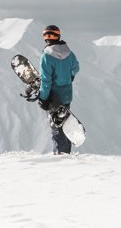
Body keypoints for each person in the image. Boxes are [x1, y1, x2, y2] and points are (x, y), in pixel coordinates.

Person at [37, 25, 79, 154]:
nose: (49, 38)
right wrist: (69, 76)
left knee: (56, 126)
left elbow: (46, 81)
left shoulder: (46, 56)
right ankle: (66, 153)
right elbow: (76, 68)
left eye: (51, 35)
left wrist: (43, 98)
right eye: (47, 35)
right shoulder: (69, 53)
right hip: (66, 94)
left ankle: (60, 157)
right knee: (66, 123)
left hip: (53, 96)